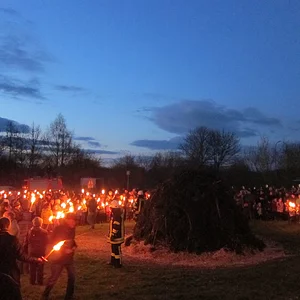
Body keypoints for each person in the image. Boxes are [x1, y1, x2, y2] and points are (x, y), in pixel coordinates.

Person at [0, 217, 44, 299]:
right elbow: (22, 256)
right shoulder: (12, 239)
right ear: (9, 226)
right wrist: (36, 260)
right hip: (9, 273)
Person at [42, 213, 77, 300]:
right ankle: (45, 295)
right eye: (73, 221)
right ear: (67, 220)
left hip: (69, 258)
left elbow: (72, 240)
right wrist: (64, 250)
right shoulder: (58, 229)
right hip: (58, 258)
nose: (74, 223)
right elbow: (53, 242)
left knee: (72, 276)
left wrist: (74, 246)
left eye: (75, 221)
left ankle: (69, 296)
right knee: (54, 278)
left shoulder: (72, 229)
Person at [23, 217, 48, 285]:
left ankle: (32, 281)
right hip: (41, 251)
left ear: (33, 223)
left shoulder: (29, 231)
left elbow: (26, 242)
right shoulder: (44, 232)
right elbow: (46, 242)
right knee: (40, 267)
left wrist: (25, 250)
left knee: (32, 267)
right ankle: (40, 281)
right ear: (41, 223)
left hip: (31, 251)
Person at [107, 200, 125, 268]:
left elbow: (116, 225)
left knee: (116, 248)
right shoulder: (115, 213)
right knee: (113, 248)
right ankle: (113, 261)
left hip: (117, 235)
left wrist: (114, 234)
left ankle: (118, 264)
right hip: (115, 235)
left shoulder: (117, 214)